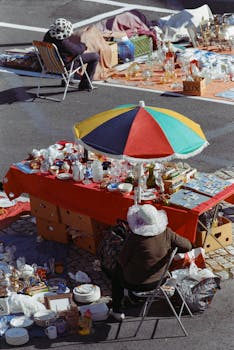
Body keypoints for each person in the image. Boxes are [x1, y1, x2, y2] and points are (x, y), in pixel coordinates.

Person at [110, 204, 192, 321]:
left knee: (116, 273)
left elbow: (121, 260)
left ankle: (117, 310)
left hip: (137, 284)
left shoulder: (134, 238)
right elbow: (187, 246)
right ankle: (132, 298)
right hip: (160, 280)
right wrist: (168, 251)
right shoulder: (167, 233)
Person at [43, 18, 99, 91]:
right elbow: (78, 51)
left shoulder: (48, 36)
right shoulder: (64, 44)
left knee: (65, 56)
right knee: (95, 56)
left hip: (48, 64)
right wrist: (83, 45)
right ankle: (85, 84)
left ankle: (67, 81)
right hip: (63, 67)